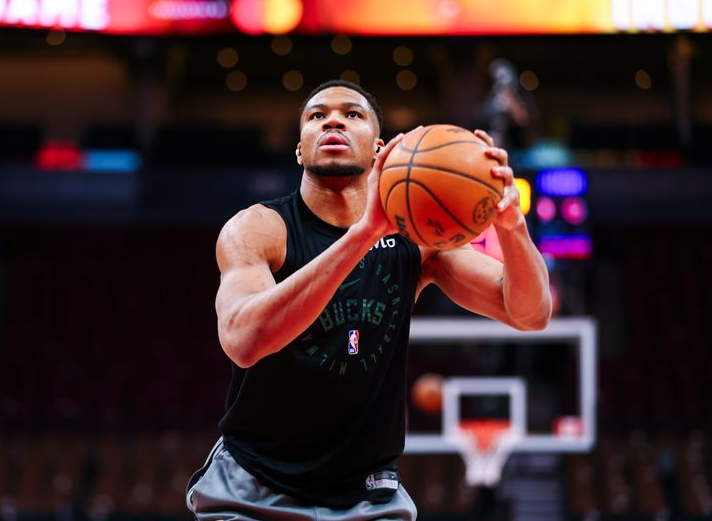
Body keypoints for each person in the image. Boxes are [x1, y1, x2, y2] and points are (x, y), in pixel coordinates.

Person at [186, 79, 552, 520]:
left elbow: (529, 312)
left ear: (380, 150)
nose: (333, 120)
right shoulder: (259, 229)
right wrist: (363, 235)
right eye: (316, 116)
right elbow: (244, 342)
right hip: (253, 490)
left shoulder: (416, 241)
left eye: (352, 114)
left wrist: (511, 225)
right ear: (300, 150)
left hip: (368, 497)